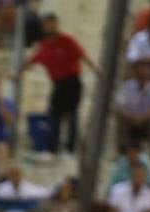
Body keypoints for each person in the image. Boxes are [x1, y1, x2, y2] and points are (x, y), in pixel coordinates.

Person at [17, 14, 96, 156]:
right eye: (46, 24)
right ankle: (54, 147)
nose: (49, 27)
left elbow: (82, 55)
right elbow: (32, 60)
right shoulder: (45, 46)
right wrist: (18, 74)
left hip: (72, 82)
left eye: (51, 23)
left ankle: (70, 148)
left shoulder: (66, 40)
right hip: (58, 84)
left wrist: (95, 69)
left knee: (72, 114)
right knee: (55, 114)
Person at [116, 61, 150, 150]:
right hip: (129, 119)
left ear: (149, 77)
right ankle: (122, 149)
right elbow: (120, 105)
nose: (143, 78)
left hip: (146, 120)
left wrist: (142, 118)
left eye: (145, 76)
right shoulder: (127, 86)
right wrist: (132, 118)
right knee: (119, 116)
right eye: (141, 76)